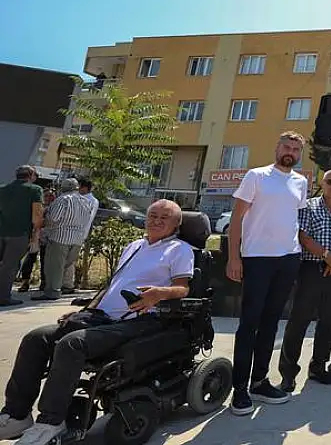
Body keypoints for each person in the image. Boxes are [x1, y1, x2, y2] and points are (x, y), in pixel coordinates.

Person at [0, 200, 192, 444]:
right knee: (37, 338)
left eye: (164, 217)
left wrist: (160, 293)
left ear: (176, 224)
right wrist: (84, 311)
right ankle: (16, 415)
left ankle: (51, 423)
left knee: (72, 344)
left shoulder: (180, 249)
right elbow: (112, 286)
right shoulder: (134, 246)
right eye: (152, 214)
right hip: (102, 316)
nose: (156, 220)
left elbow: (183, 288)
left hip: (140, 320)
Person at [226, 132, 310, 415]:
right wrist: (233, 257)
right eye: (287, 146)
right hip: (257, 258)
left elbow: (293, 220)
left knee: (272, 323)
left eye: (296, 149)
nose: (291, 152)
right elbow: (236, 219)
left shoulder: (301, 182)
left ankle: (259, 381)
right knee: (249, 324)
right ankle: (239, 389)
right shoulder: (256, 176)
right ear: (277, 148)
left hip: (288, 259)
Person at [278, 169, 331, 392]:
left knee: (329, 321)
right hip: (312, 268)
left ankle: (318, 366)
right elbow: (303, 237)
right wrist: (327, 255)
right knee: (299, 321)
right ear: (323, 183)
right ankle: (288, 372)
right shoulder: (309, 206)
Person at [34, 179, 96, 302]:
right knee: (64, 265)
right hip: (77, 239)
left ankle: (53, 291)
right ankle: (58, 288)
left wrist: (42, 224)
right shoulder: (86, 201)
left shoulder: (63, 199)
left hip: (60, 237)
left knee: (54, 266)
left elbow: (53, 219)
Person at [0, 166, 44, 307]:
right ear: (30, 175)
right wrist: (35, 234)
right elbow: (37, 215)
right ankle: (3, 297)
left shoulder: (2, 188)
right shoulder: (35, 190)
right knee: (10, 266)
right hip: (19, 234)